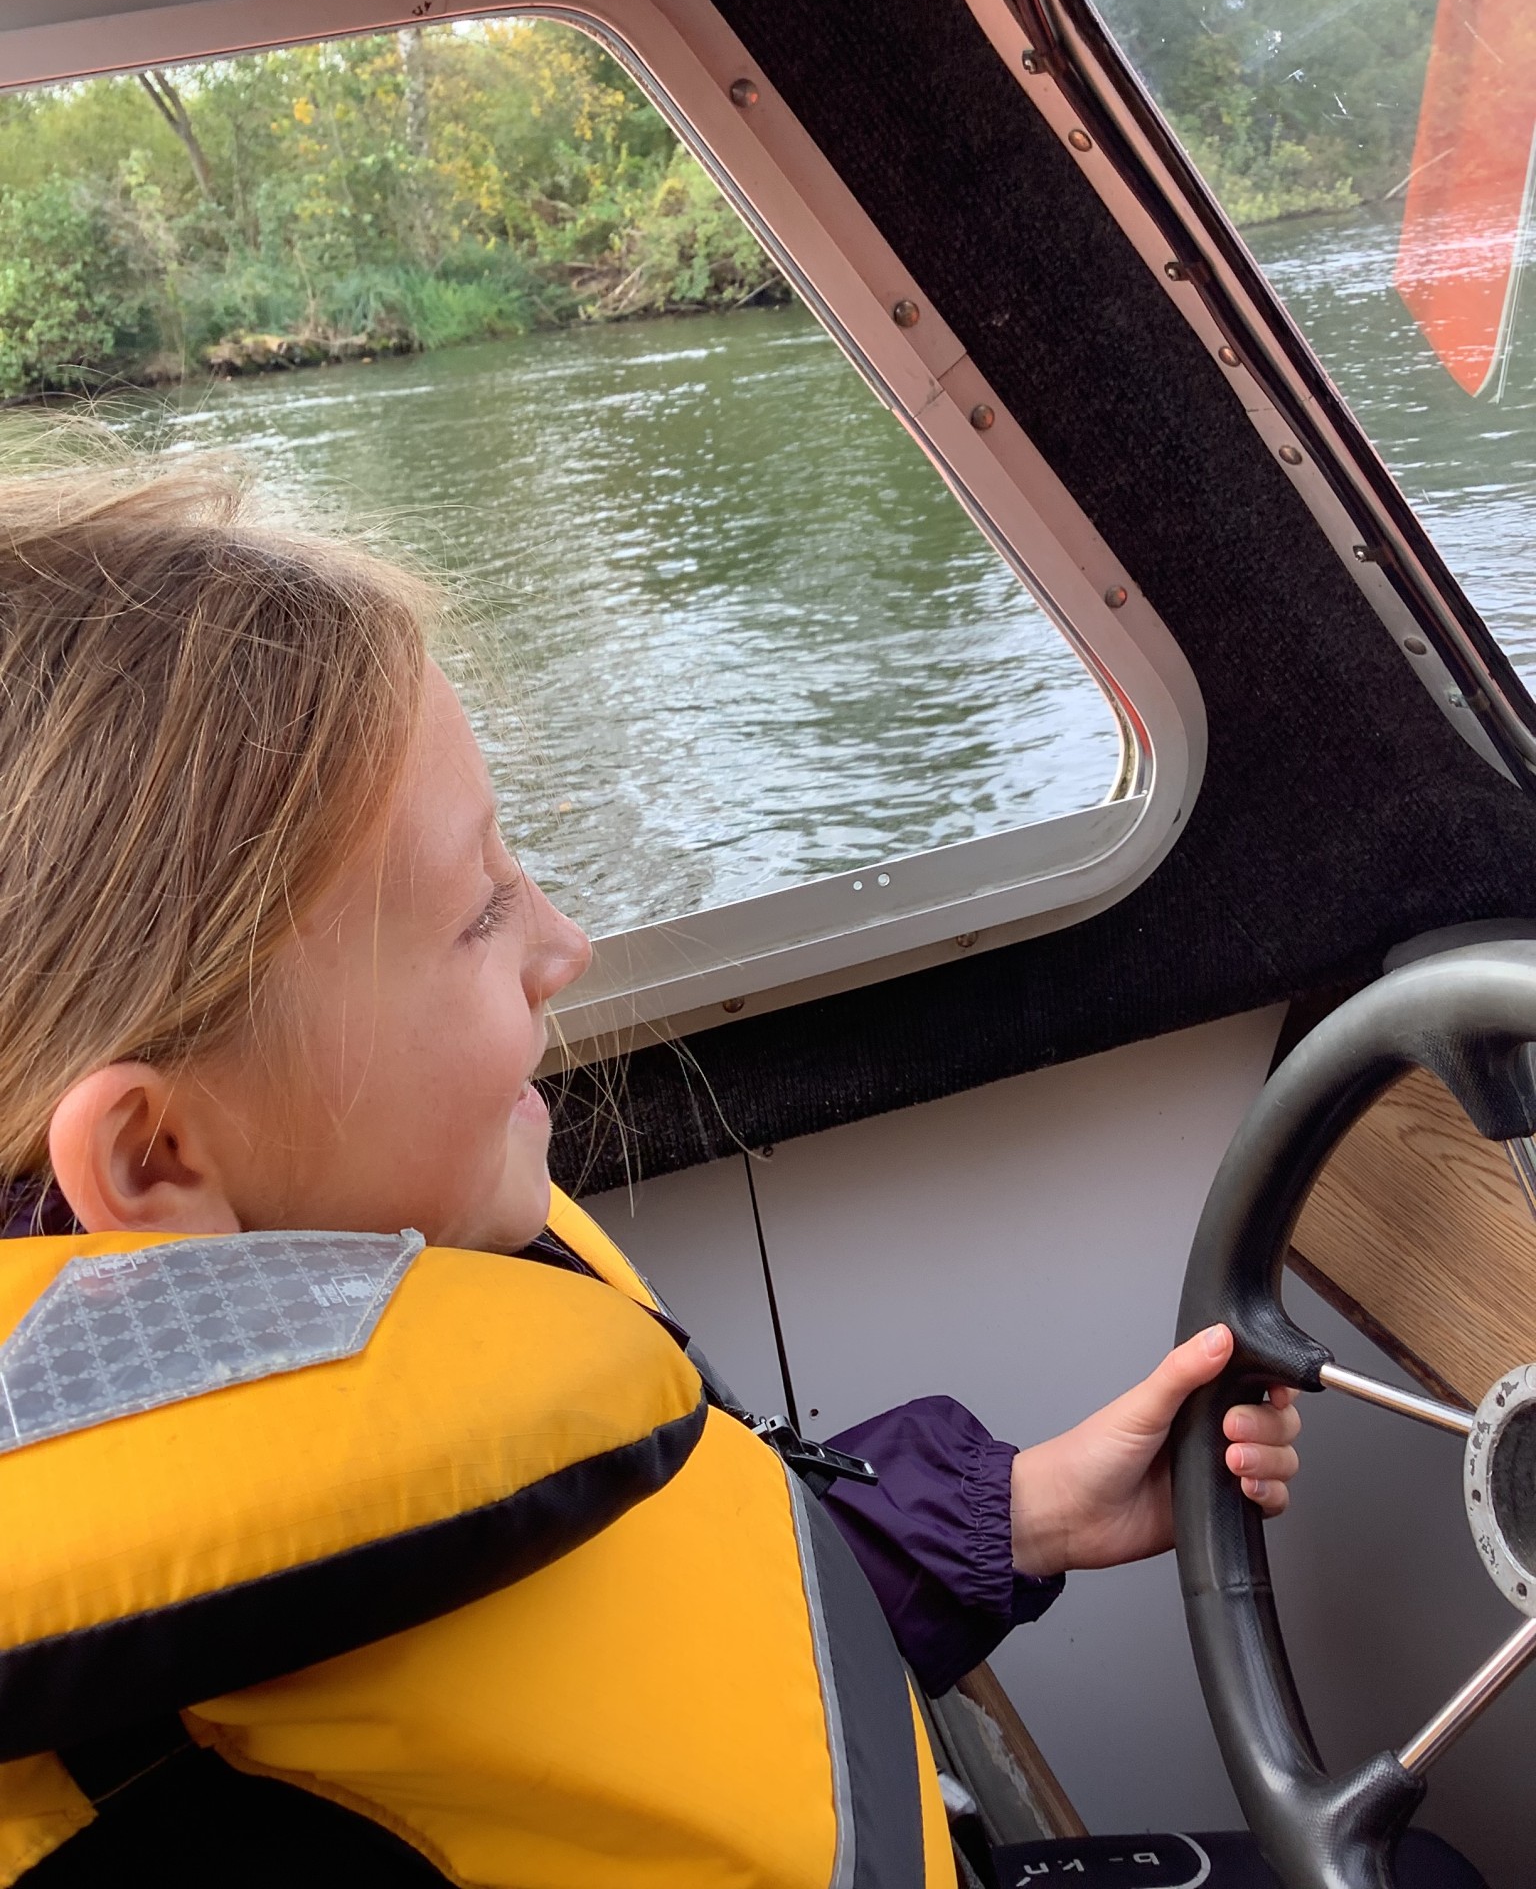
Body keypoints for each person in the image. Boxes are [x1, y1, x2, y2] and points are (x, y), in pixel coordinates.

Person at [0, 453, 1301, 1887]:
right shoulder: (184, 1815)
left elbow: (625, 1643)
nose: (566, 947)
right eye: (482, 911)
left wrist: (1024, 1510)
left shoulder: (336, 1365)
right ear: (159, 1154)